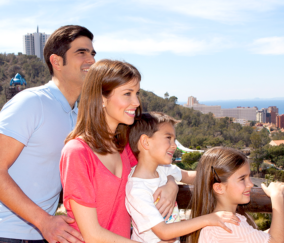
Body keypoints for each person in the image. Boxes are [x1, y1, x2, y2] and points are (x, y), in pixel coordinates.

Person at [60, 60, 183, 242]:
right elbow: (92, 235)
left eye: (137, 93)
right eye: (127, 94)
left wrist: (171, 184)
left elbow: (160, 169)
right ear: (101, 98)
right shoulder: (77, 152)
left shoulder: (123, 146)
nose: (136, 102)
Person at [0, 25, 96, 243]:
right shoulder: (32, 102)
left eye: (92, 53)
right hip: (7, 234)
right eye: (81, 52)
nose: (91, 60)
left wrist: (168, 181)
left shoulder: (79, 115)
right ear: (57, 61)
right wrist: (44, 221)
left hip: (41, 235)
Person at [125, 112, 241, 243]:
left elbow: (190, 176)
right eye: (168, 138)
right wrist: (210, 218)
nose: (174, 145)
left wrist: (226, 175)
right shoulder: (137, 190)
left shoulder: (163, 169)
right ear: (146, 142)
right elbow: (164, 232)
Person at [187, 147, 284, 243]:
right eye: (242, 179)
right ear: (219, 188)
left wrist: (273, 232)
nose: (250, 184)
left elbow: (239, 238)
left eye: (249, 177)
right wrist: (277, 196)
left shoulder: (217, 223)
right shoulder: (229, 224)